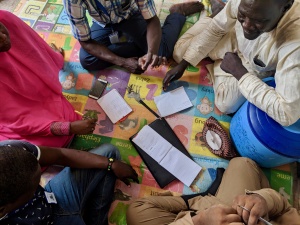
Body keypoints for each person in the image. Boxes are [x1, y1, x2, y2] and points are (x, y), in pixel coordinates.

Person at [163, 0, 300, 126]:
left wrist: (239, 73)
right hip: (234, 37)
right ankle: (218, 15)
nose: (246, 25)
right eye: (242, 15)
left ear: (285, 8)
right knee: (180, 54)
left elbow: (287, 113)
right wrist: (184, 64)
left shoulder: (295, 42)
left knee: (225, 104)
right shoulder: (247, 5)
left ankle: (224, 59)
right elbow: (216, 29)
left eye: (259, 21)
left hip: (252, 65)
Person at [0, 10, 97, 147]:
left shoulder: (5, 19)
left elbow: (35, 51)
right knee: (32, 151)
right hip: (23, 119)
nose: (2, 37)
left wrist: (53, 56)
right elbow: (17, 122)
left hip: (41, 100)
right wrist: (68, 128)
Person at [0, 139, 139, 224]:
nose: (38, 185)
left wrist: (111, 164)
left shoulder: (10, 151)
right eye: (33, 189)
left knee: (109, 153)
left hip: (55, 199)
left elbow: (60, 155)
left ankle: (96, 220)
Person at [127, 157, 300, 225]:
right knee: (241, 164)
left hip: (212, 215)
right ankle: (200, 202)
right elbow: (284, 208)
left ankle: (202, 202)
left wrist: (200, 221)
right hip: (241, 215)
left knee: (138, 211)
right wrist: (261, 200)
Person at [63, 0, 204, 73]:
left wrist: (152, 53)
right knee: (87, 60)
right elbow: (86, 41)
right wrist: (123, 62)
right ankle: (141, 46)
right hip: (102, 23)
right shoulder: (72, 1)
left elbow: (151, 19)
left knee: (162, 52)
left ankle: (177, 13)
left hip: (131, 15)